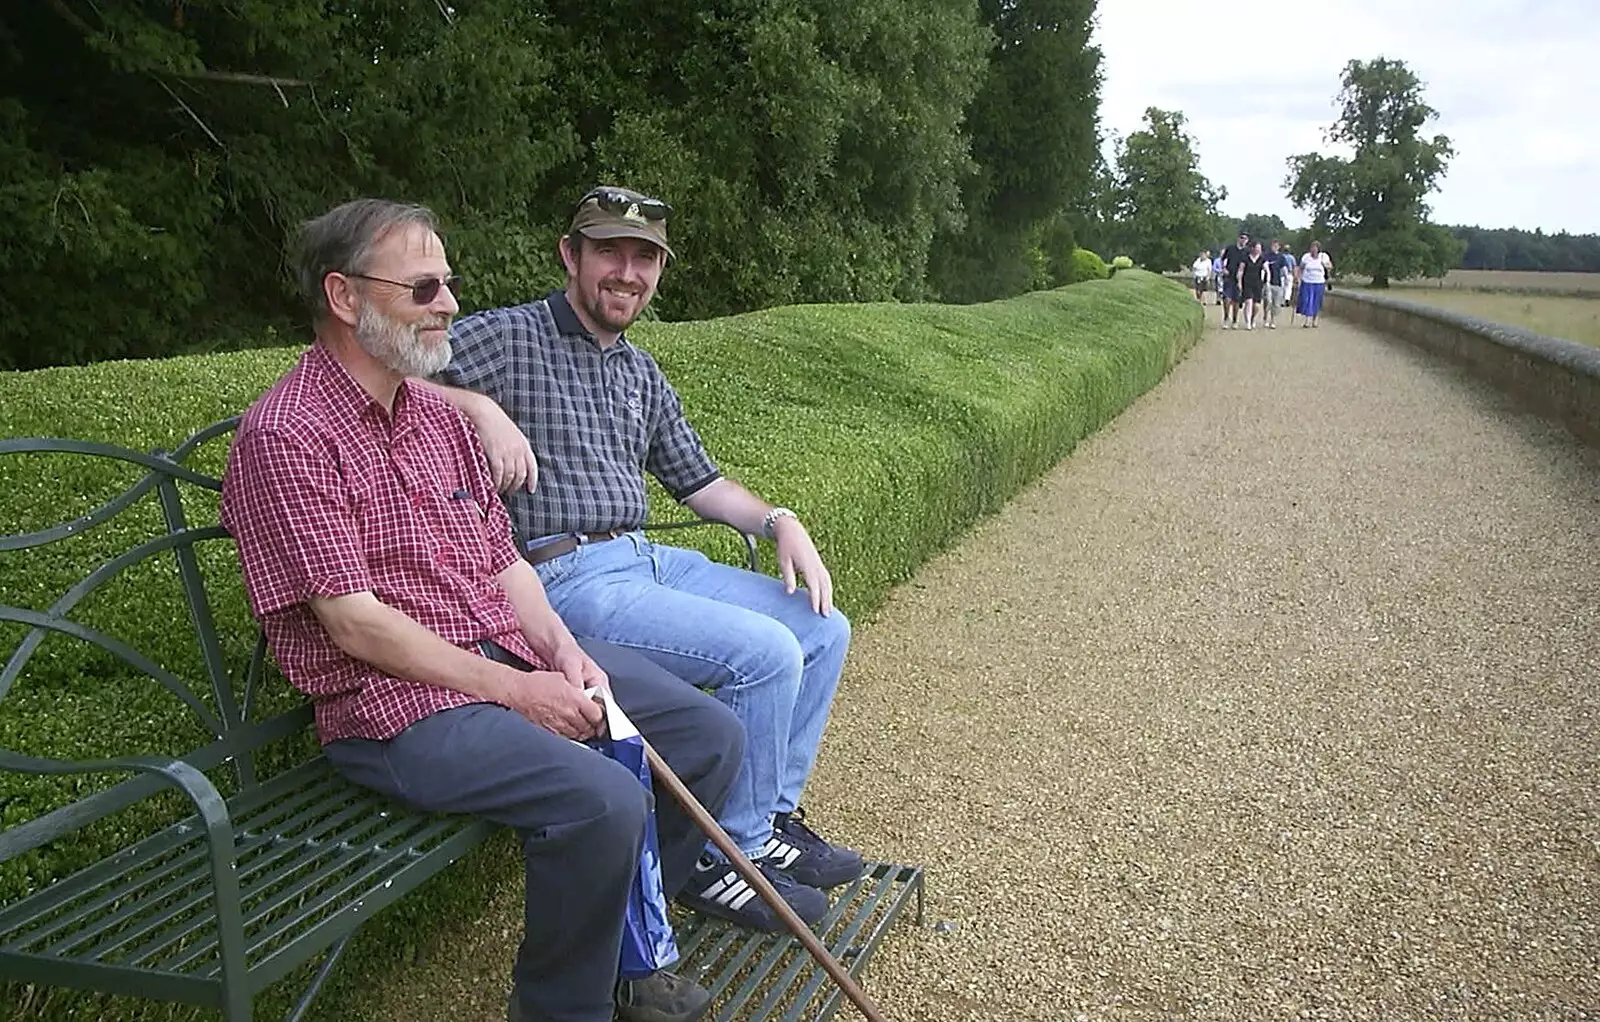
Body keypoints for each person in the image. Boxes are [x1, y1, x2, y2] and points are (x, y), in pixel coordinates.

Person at [221, 198, 744, 1022]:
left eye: (449, 284)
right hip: (396, 710)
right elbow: (353, 624)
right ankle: (562, 1008)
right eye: (425, 288)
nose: (450, 304)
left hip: (504, 658)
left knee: (709, 737)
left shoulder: (437, 416)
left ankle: (624, 951)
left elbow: (504, 562)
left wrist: (562, 651)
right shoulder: (285, 436)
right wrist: (516, 691)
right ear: (345, 296)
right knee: (601, 802)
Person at [426, 186, 864, 934]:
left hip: (645, 559)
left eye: (644, 257)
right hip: (561, 576)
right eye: (609, 252)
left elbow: (701, 482)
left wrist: (781, 519)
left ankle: (769, 823)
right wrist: (481, 409)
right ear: (571, 256)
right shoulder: (504, 338)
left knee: (823, 629)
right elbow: (390, 369)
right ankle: (729, 858)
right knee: (764, 653)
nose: (627, 272)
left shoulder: (640, 372)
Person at [1295, 239, 1334, 327]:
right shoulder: (1306, 257)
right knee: (1307, 300)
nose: (1313, 250)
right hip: (1307, 281)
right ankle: (1307, 320)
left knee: (1316, 301)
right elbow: (1301, 268)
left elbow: (1330, 266)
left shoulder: (1323, 257)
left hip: (1319, 282)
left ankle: (1315, 320)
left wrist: (1326, 265)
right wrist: (1298, 278)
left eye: (1315, 248)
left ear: (1318, 249)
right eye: (1312, 247)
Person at [1220, 231, 1250, 328]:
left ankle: (1235, 320)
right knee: (1227, 299)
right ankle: (1226, 318)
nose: (1243, 240)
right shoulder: (1230, 248)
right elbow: (1222, 259)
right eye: (1242, 237)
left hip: (1240, 279)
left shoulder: (1247, 252)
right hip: (1229, 276)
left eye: (1245, 238)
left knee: (1236, 300)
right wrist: (1223, 269)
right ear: (1238, 238)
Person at [1239, 240, 1270, 330]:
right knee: (1248, 302)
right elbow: (1241, 270)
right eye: (1257, 248)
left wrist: (1267, 281)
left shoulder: (1262, 259)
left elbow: (1267, 270)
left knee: (1256, 305)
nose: (1259, 250)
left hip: (1257, 284)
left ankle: (1252, 318)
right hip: (1247, 283)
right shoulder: (1245, 258)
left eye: (1260, 248)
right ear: (1252, 248)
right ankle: (1248, 322)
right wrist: (1239, 282)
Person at [1263, 239, 1287, 328]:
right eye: (1273, 246)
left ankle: (1272, 320)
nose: (1274, 247)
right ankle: (1265, 317)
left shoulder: (1281, 257)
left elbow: (1284, 268)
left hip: (1278, 283)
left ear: (1279, 247)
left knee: (1276, 303)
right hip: (1268, 282)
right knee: (1268, 301)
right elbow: (1264, 266)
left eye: (1276, 246)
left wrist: (1287, 278)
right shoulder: (1266, 256)